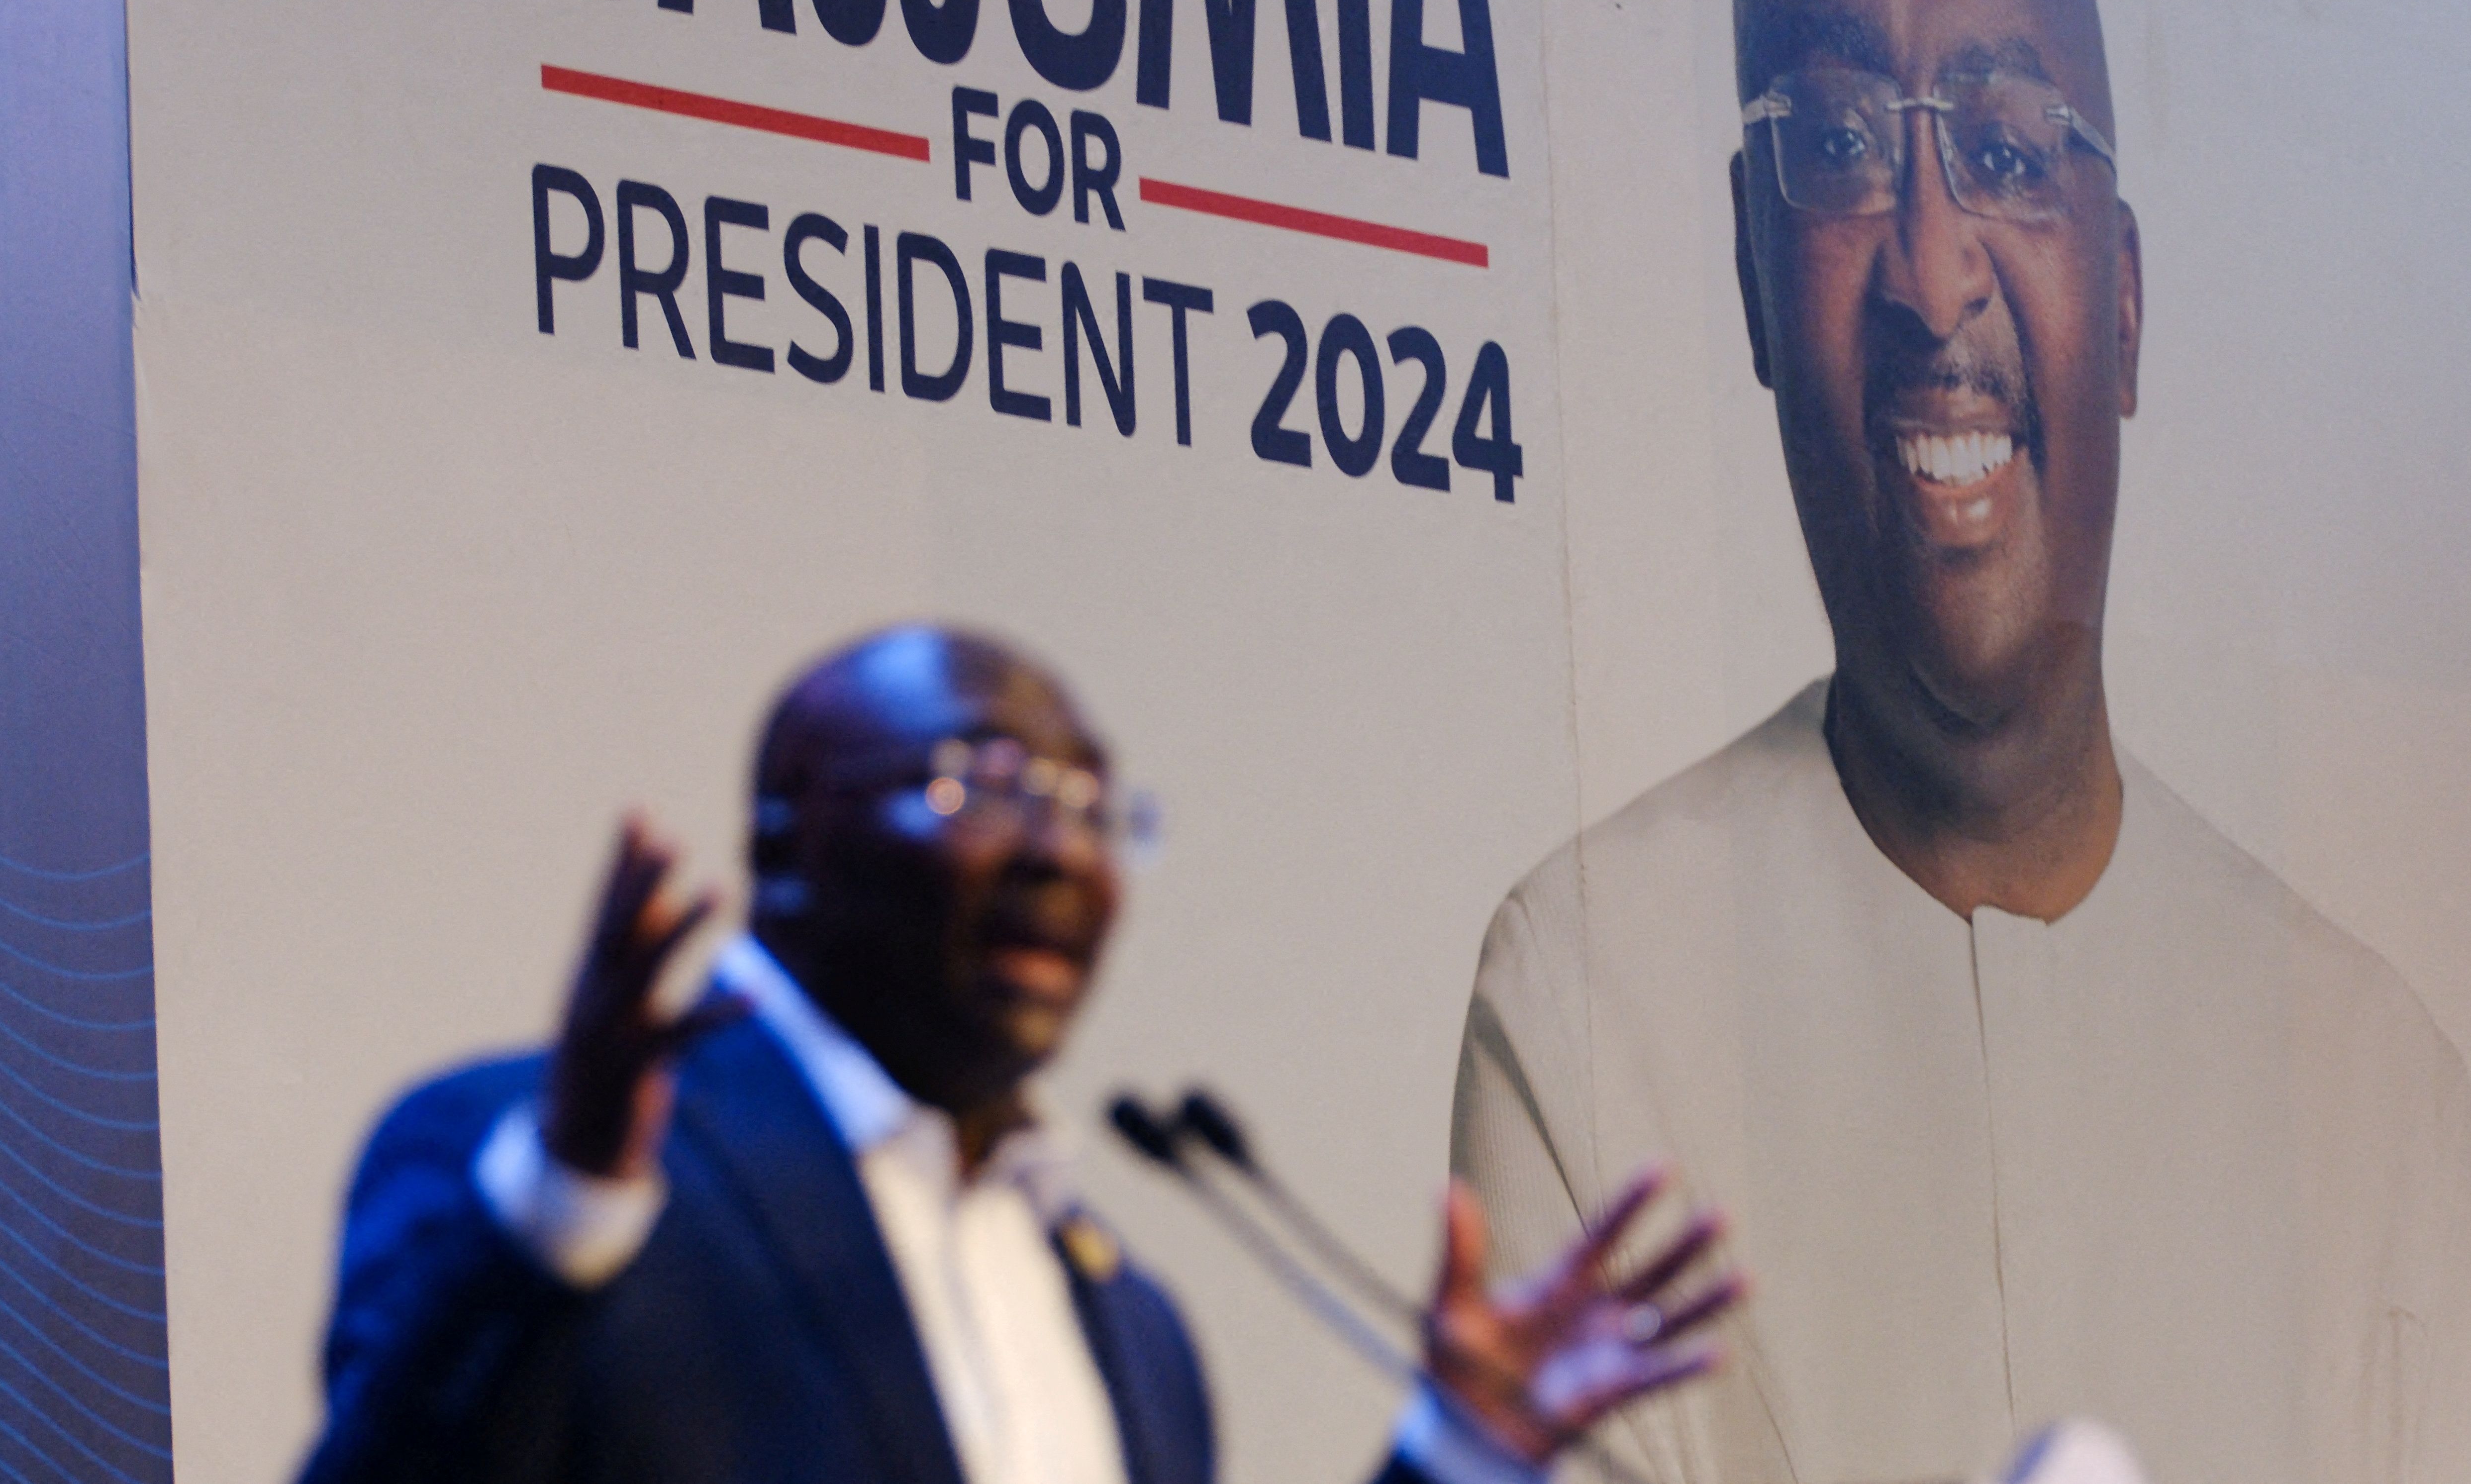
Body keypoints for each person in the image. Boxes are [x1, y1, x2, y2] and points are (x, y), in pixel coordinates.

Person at [1452, 0, 2471, 1484]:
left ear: (2122, 299)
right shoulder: (1587, 989)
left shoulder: (2371, 1082)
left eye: (2009, 150)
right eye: (1844, 143)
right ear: (1746, 261)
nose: (1933, 267)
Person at [300, 625, 1741, 1484]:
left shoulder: (1129, 1325)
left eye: (1094, 806)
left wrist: (1460, 1452)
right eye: (981, 783)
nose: (1058, 850)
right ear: (787, 847)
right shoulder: (534, 1174)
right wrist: (565, 1206)